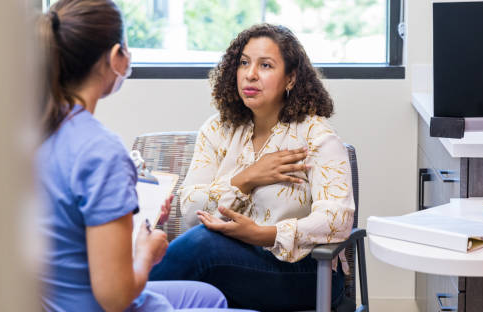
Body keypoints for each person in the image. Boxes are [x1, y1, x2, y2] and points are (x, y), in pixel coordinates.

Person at [36, 0, 253, 312]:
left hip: (59, 297)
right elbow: (115, 296)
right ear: (115, 57)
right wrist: (146, 252)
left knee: (211, 296)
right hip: (104, 301)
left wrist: (136, 218)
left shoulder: (36, 130)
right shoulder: (100, 150)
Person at [149, 24, 355, 311]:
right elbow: (190, 209)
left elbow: (338, 219)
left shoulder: (316, 136)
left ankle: (116, 297)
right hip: (232, 266)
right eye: (244, 62)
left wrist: (264, 234)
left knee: (201, 245)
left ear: (291, 78)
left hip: (304, 272)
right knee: (199, 247)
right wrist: (246, 178)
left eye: (266, 65)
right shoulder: (217, 129)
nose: (250, 74)